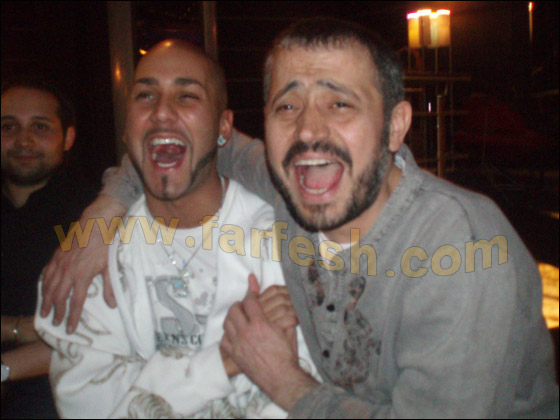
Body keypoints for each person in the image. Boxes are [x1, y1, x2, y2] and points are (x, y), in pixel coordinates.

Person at [39, 19, 559, 418]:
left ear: (395, 125)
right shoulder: (291, 185)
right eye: (287, 107)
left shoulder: (461, 250)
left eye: (340, 104)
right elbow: (179, 139)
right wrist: (104, 214)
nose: (309, 131)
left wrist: (281, 378)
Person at [35, 39, 316, 418]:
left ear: (224, 126)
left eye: (187, 97)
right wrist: (226, 360)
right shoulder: (89, 257)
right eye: (145, 96)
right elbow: (86, 405)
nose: (162, 112)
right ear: (127, 125)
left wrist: (143, 380)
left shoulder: (280, 242)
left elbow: (291, 400)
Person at [1, 80, 98, 418]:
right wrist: (18, 328)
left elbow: (97, 334)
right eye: (8, 127)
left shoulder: (91, 214)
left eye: (40, 127)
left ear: (68, 138)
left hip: (63, 396)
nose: (23, 140)